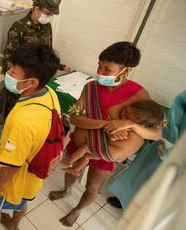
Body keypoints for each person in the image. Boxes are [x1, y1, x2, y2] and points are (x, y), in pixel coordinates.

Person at [48, 41, 162, 227]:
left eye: (108, 69)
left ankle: (77, 210)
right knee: (70, 172)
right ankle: (66, 190)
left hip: (107, 152)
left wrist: (130, 124)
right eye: (99, 65)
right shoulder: (90, 88)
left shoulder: (139, 95)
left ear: (126, 71)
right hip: (81, 143)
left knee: (92, 186)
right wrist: (105, 124)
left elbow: (156, 133)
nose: (100, 72)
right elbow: (75, 118)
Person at [0, 42, 62, 230]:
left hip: (14, 181)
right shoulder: (49, 93)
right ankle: (13, 225)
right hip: (33, 178)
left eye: (13, 71)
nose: (8, 73)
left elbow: (13, 164)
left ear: (32, 82)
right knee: (22, 202)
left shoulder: (23, 120)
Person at [107, 89, 186, 209]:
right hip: (163, 144)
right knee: (137, 176)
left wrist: (174, 154)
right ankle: (124, 199)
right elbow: (175, 111)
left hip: (179, 162)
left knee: (158, 189)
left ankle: (137, 210)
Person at [2, 0, 71, 117]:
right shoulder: (18, 28)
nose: (49, 16)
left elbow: (46, 54)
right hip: (22, 83)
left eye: (51, 14)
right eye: (48, 13)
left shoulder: (46, 27)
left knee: (30, 117)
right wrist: (15, 83)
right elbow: (8, 59)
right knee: (15, 115)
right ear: (37, 8)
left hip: (38, 84)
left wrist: (60, 66)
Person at [63, 100, 164, 177]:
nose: (122, 115)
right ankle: (76, 169)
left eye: (126, 117)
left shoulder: (128, 128)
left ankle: (70, 161)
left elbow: (113, 137)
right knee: (87, 157)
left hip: (112, 152)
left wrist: (109, 132)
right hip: (115, 155)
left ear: (141, 125)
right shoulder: (138, 129)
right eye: (125, 110)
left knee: (86, 148)